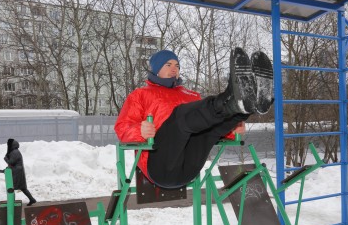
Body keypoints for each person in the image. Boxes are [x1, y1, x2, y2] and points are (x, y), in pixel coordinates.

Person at [115, 47, 273, 188]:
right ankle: (228, 97)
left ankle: (243, 108)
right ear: (156, 69)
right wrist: (139, 131)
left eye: (177, 65)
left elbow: (210, 122)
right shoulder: (141, 95)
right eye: (168, 65)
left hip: (190, 168)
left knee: (206, 126)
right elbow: (122, 127)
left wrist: (233, 128)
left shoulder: (190, 95)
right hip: (161, 166)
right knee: (180, 117)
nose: (174, 69)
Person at [4, 138, 37, 206]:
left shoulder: (14, 152)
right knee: (22, 188)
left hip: (17, 172)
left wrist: (6, 159)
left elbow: (11, 162)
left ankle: (11, 203)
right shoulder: (15, 151)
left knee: (11, 188)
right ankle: (31, 199)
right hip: (18, 171)